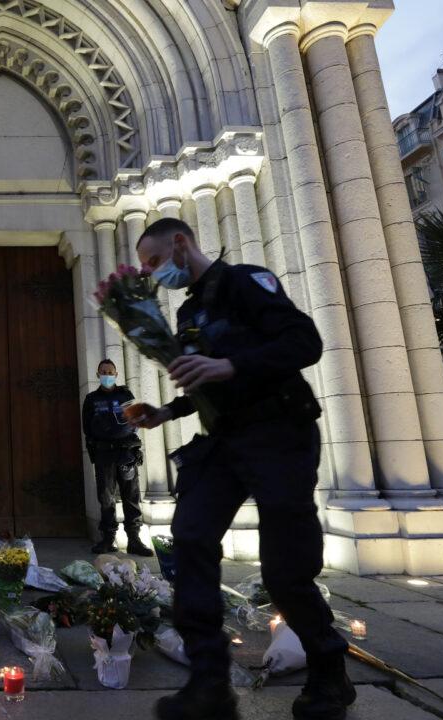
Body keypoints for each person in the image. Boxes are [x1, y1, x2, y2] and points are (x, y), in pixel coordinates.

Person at [127, 218, 353, 720]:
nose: (149, 273)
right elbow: (205, 383)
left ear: (181, 244)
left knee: (285, 569)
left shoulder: (247, 282)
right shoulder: (189, 311)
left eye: (153, 261)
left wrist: (231, 365)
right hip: (224, 441)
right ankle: (209, 682)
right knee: (188, 537)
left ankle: (329, 670)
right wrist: (166, 412)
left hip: (279, 435)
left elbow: (304, 343)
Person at [81, 358, 153, 557]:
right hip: (104, 454)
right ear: (98, 375)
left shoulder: (125, 395)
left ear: (116, 374)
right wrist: (94, 451)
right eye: (103, 371)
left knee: (131, 496)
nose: (107, 375)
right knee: (106, 497)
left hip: (125, 453)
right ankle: (108, 539)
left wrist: (136, 447)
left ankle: (134, 540)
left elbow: (136, 421)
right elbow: (87, 428)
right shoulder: (91, 399)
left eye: (110, 371)